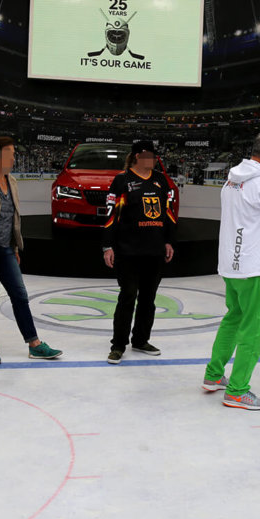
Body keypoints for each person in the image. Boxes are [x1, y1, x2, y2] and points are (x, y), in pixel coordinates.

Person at [202, 129, 260, 410]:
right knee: (254, 330)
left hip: (232, 263)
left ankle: (213, 375)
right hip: (254, 266)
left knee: (233, 319)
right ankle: (238, 389)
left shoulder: (232, 179)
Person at [0, 136, 62, 364]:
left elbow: (13, 217)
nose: (14, 157)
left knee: (20, 294)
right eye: (9, 153)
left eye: (14, 153)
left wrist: (15, 245)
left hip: (6, 248)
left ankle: (34, 344)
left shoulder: (12, 181)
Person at [103, 140, 176, 364]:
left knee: (148, 298)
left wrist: (169, 241)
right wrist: (108, 246)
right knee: (127, 296)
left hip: (154, 250)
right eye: (147, 155)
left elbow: (169, 214)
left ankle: (141, 339)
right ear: (136, 156)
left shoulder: (161, 180)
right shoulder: (122, 181)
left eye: (154, 156)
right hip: (128, 251)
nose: (152, 159)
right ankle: (118, 345)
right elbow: (111, 215)